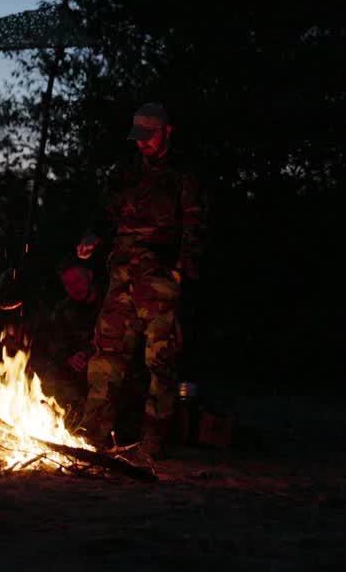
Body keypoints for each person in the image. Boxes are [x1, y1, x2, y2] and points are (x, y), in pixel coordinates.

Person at [76, 102, 207, 456]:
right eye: (138, 135)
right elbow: (105, 212)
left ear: (167, 132)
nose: (142, 142)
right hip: (121, 273)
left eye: (149, 135)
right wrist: (92, 235)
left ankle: (153, 440)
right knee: (106, 355)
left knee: (160, 362)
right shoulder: (125, 171)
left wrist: (182, 273)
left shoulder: (183, 174)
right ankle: (93, 433)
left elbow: (196, 226)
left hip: (160, 278)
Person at [39, 256, 106, 416]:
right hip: (77, 370)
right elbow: (55, 345)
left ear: (89, 275)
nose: (73, 288)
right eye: (67, 285)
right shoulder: (64, 310)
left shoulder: (111, 301)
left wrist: (91, 353)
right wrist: (69, 358)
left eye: (77, 281)